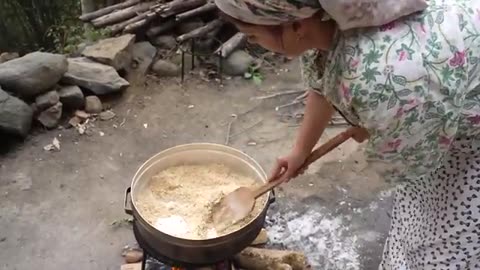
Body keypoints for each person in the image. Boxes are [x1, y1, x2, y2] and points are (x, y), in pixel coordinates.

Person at [215, 0, 480, 269]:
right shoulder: (328, 22)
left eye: (253, 36)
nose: (256, 44)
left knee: (446, 246)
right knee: (418, 212)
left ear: (295, 24)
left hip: (464, 137)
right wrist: (300, 151)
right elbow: (321, 86)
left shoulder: (383, 77)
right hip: (426, 110)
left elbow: (412, 155)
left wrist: (381, 128)